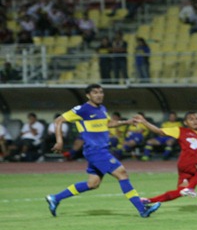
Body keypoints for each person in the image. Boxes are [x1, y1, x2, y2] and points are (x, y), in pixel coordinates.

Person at [45, 84, 160, 218]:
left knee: (92, 184)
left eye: (101, 92)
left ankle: (55, 198)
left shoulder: (101, 108)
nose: (99, 95)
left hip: (101, 150)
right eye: (95, 93)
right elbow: (58, 120)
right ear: (88, 95)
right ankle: (142, 209)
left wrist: (126, 122)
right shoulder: (82, 109)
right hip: (95, 150)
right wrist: (59, 141)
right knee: (122, 173)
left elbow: (109, 123)